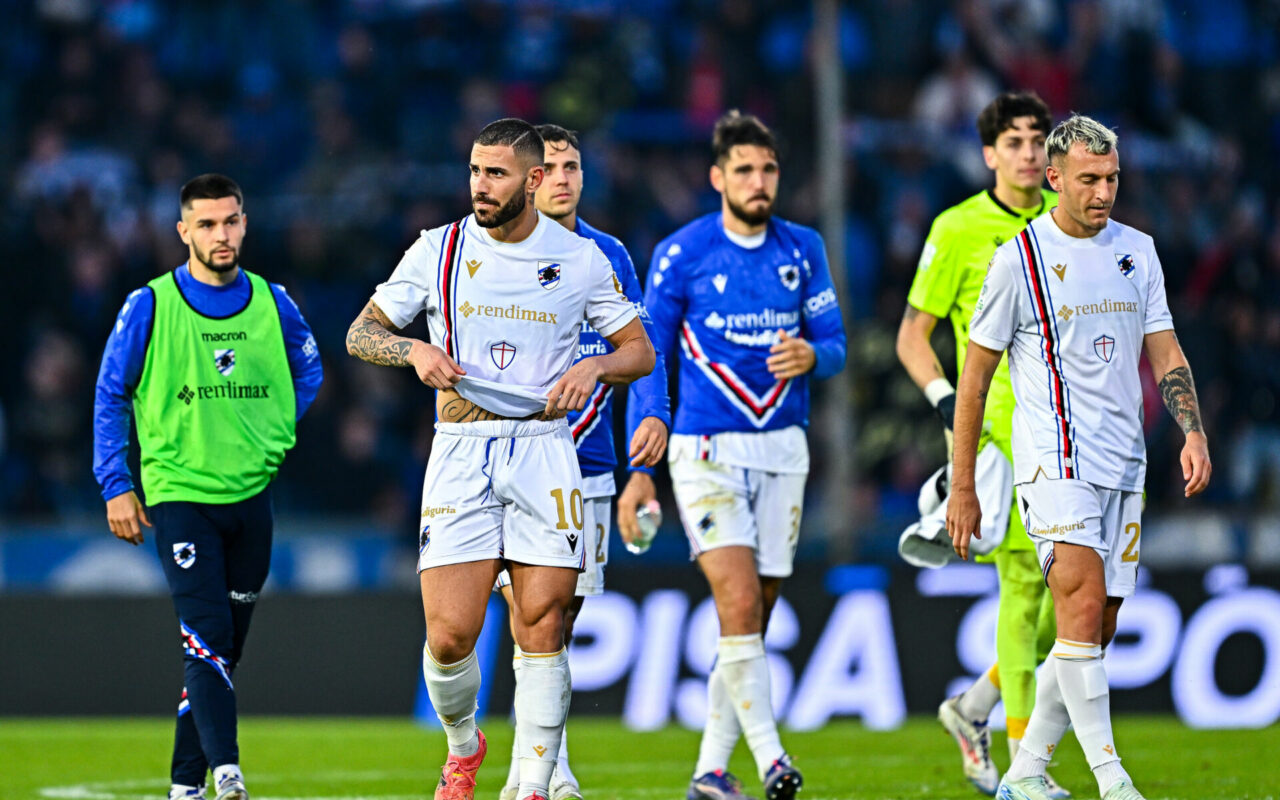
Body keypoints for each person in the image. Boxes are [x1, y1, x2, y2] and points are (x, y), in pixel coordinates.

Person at [345, 118, 654, 800]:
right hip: (461, 451)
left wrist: (597, 366)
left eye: (496, 173)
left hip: (545, 452)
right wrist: (412, 350)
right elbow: (361, 333)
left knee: (544, 623)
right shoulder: (439, 249)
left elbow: (639, 351)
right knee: (450, 637)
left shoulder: (580, 260)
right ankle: (464, 746)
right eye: (474, 171)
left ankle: (537, 785)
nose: (480, 186)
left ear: (533, 180)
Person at [947, 115, 1211, 800]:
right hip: (1053, 462)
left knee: (1098, 626)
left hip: (1125, 464)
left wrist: (1193, 430)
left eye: (1112, 179)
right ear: (1055, 178)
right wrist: (963, 485)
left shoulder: (1138, 251)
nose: (1103, 193)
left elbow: (1166, 351)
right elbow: (974, 378)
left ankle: (1025, 772)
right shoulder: (1019, 260)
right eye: (1089, 179)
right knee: (1083, 604)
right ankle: (1111, 779)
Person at [633, 111, 847, 800]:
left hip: (784, 447)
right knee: (738, 598)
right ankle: (774, 758)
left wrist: (813, 355)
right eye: (745, 170)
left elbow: (836, 343)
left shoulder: (803, 248)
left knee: (752, 617)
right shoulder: (682, 253)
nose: (759, 181)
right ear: (718, 178)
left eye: (769, 169)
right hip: (705, 449)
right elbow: (648, 356)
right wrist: (642, 464)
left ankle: (710, 772)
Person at [92, 174, 324, 800]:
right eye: (207, 224)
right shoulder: (150, 304)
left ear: (244, 223)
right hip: (180, 497)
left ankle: (183, 784)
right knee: (207, 638)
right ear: (183, 232)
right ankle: (228, 773)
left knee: (221, 652)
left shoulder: (274, 302)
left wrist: (271, 435)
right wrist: (116, 484)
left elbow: (308, 370)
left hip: (251, 498)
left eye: (230, 221)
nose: (221, 234)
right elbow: (111, 393)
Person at [895, 91, 1068, 797]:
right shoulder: (959, 228)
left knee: (1083, 609)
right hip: (1001, 434)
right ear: (990, 153)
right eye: (1015, 142)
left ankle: (974, 707)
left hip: (1073, 434)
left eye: (1038, 140)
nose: (1029, 153)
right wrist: (946, 403)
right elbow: (913, 336)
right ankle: (1027, 769)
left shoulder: (1070, 221)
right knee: (1024, 590)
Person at [493, 124, 671, 800]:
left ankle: (534, 765)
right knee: (530, 612)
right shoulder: (499, 250)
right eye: (551, 167)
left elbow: (638, 343)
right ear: (530, 179)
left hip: (589, 462)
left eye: (573, 166)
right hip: (515, 459)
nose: (563, 178)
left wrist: (653, 414)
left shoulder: (609, 253)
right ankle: (548, 769)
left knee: (562, 615)